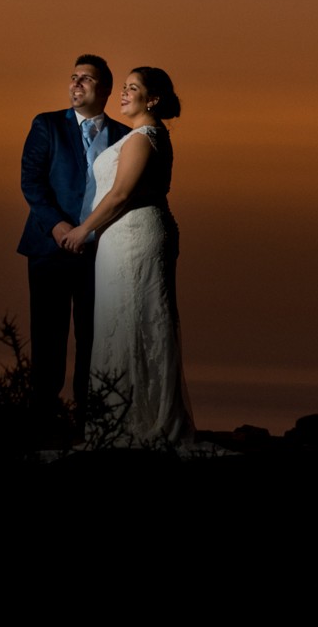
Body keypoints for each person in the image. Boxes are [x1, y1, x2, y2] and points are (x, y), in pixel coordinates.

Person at [62, 66, 195, 448]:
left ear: (152, 99)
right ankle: (124, 416)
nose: (123, 94)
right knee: (124, 320)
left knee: (134, 318)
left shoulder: (143, 138)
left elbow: (120, 195)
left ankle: (138, 419)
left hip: (135, 236)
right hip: (123, 238)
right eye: (122, 87)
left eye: (132, 88)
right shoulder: (142, 136)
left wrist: (81, 230)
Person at [19, 55, 128, 411]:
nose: (76, 84)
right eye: (73, 77)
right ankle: (43, 417)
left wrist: (91, 232)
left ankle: (89, 417)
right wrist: (58, 226)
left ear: (106, 89)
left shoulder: (125, 137)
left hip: (99, 254)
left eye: (87, 79)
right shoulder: (46, 125)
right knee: (48, 337)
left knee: (93, 339)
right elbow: (31, 182)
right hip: (49, 249)